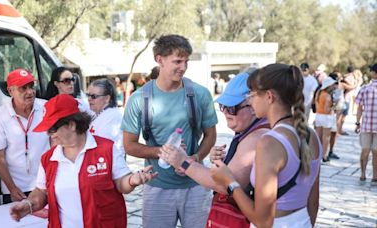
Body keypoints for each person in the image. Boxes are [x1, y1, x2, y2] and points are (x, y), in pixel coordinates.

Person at [9, 94, 157, 227]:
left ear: (72, 125)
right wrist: (28, 205)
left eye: (53, 129)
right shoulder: (49, 159)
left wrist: (132, 180)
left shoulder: (106, 149)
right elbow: (41, 191)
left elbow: (121, 183)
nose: (49, 134)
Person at [121, 34, 218, 228]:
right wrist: (165, 152)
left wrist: (195, 159)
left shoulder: (200, 94)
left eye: (186, 61)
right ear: (160, 60)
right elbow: (129, 145)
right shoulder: (139, 99)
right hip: (157, 187)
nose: (183, 67)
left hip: (196, 186)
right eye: (177, 61)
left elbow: (210, 135)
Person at [210, 64, 322, 227]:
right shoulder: (311, 135)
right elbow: (313, 202)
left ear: (269, 97)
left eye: (252, 95)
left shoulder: (270, 143)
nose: (249, 100)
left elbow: (263, 220)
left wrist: (230, 182)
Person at [159, 72, 269, 227]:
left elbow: (225, 185)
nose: (225, 112)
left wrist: (183, 162)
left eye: (231, 108)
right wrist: (222, 162)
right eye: (222, 106)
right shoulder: (250, 130)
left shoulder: (256, 137)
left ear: (253, 105)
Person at [0, 69, 49, 204]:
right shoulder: (0, 116)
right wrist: (11, 188)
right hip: (16, 190)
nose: (30, 91)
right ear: (11, 91)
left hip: (46, 185)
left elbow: (57, 144)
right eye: (23, 88)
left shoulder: (47, 107)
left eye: (31, 86)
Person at [87, 78, 125, 157]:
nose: (89, 99)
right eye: (88, 95)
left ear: (107, 98)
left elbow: (103, 144)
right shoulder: (98, 113)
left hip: (110, 163)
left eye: (93, 96)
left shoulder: (113, 116)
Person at [355, 63, 377, 182]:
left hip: (366, 125)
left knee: (365, 150)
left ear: (373, 73)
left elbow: (359, 108)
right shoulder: (365, 88)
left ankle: (363, 174)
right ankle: (375, 176)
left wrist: (357, 123)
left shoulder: (364, 88)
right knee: (376, 152)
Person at [315, 77, 337, 162]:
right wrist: (334, 106)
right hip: (326, 117)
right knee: (326, 137)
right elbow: (327, 110)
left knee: (318, 137)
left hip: (318, 116)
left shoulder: (319, 93)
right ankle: (324, 155)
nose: (333, 86)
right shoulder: (327, 96)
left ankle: (316, 154)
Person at [338, 65, 357, 135]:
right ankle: (339, 130)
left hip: (343, 97)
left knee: (341, 115)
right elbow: (350, 87)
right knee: (343, 116)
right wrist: (355, 85)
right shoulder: (350, 78)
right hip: (346, 98)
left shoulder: (344, 76)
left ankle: (339, 129)